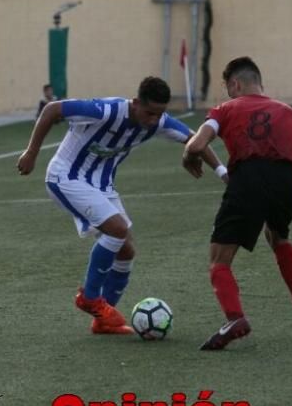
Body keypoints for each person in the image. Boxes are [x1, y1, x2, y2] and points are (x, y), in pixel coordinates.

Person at [17, 76, 225, 334]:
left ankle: (102, 321)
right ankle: (90, 297)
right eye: (149, 112)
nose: (153, 120)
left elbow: (196, 140)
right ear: (136, 103)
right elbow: (52, 109)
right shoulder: (105, 111)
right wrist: (31, 153)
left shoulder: (157, 121)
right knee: (117, 229)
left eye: (159, 114)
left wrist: (224, 174)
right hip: (66, 177)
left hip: (101, 187)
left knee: (126, 252)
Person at [182, 57, 292, 351]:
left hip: (249, 176)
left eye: (228, 88)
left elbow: (197, 144)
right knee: (278, 237)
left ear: (235, 84)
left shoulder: (225, 109)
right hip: (287, 179)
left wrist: (188, 156)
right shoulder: (291, 113)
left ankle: (235, 318)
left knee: (219, 259)